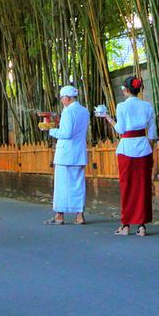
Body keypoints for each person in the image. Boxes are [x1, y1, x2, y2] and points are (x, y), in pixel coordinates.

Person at [103, 76, 157, 237]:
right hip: (143, 148)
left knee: (126, 186)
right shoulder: (147, 106)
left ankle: (125, 224)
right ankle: (142, 226)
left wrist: (108, 118)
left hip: (127, 148)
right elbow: (153, 134)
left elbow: (121, 129)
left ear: (126, 90)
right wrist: (149, 149)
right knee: (143, 186)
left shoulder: (121, 106)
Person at [46, 85, 90, 225]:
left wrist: (51, 130)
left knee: (61, 186)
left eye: (62, 98)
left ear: (67, 98)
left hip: (65, 154)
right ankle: (79, 216)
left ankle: (59, 215)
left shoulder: (68, 112)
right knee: (78, 185)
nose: (61, 101)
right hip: (79, 153)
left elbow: (66, 133)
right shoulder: (84, 111)